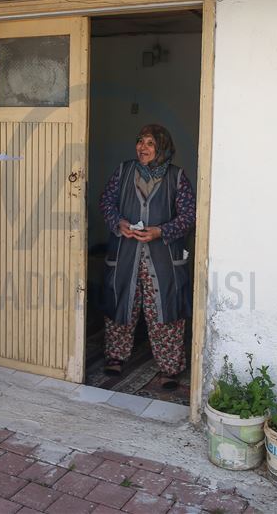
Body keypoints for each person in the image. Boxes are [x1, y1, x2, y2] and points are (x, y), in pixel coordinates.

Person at [99, 124, 195, 390]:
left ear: (162, 147)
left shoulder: (177, 177)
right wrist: (118, 223)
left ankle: (169, 368)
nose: (143, 147)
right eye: (140, 141)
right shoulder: (123, 171)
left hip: (163, 259)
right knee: (121, 304)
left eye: (150, 143)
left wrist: (160, 231)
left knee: (166, 311)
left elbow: (189, 216)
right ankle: (116, 357)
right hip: (125, 254)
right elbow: (106, 202)